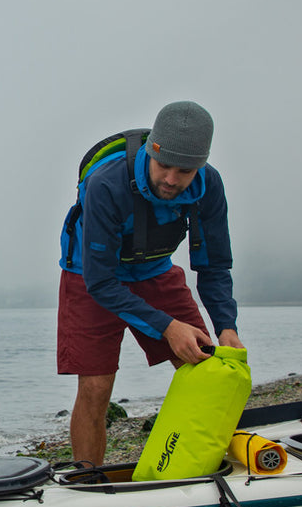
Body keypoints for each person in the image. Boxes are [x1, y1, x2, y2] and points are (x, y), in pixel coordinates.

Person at [57, 100, 242, 467]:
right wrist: (168, 327)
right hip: (89, 276)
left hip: (154, 270)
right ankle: (87, 483)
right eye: (164, 166)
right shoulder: (105, 184)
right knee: (95, 388)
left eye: (185, 170)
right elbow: (102, 283)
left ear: (200, 165)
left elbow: (214, 266)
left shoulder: (209, 185)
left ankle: (199, 468)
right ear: (150, 151)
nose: (172, 179)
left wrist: (227, 326)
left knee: (204, 366)